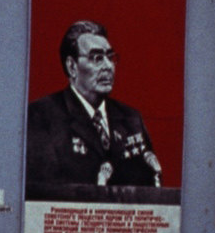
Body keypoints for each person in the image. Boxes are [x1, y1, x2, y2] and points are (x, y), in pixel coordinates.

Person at [25, 20, 162, 194]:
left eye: (110, 57)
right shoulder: (42, 117)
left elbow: (151, 185)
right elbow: (42, 195)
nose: (108, 66)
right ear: (72, 66)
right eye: (97, 58)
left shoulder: (131, 119)